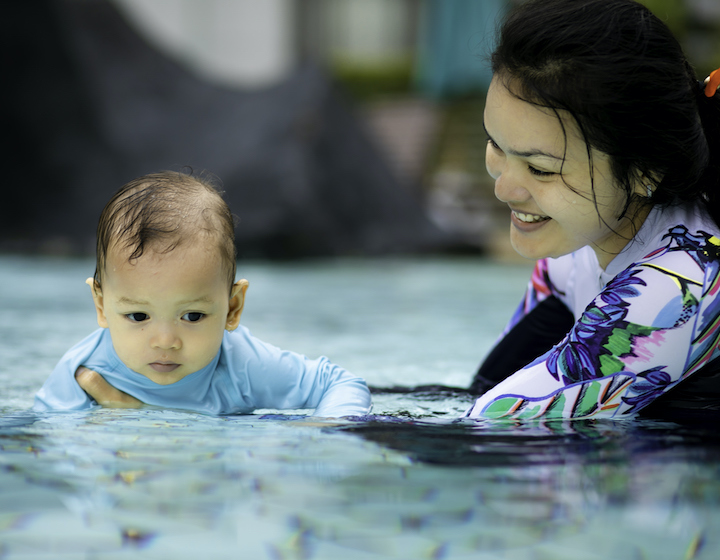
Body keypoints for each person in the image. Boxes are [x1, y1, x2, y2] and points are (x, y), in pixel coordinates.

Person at [465, 0, 720, 420]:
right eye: (496, 144)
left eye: (540, 169)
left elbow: (489, 425)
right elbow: (485, 392)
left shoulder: (682, 284)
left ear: (645, 171)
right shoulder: (580, 241)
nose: (504, 188)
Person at [34, 171, 371, 417]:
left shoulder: (243, 366)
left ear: (232, 308)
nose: (165, 341)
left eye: (192, 316)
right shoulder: (83, 374)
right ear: (102, 305)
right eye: (138, 316)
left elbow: (340, 384)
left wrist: (326, 434)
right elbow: (45, 450)